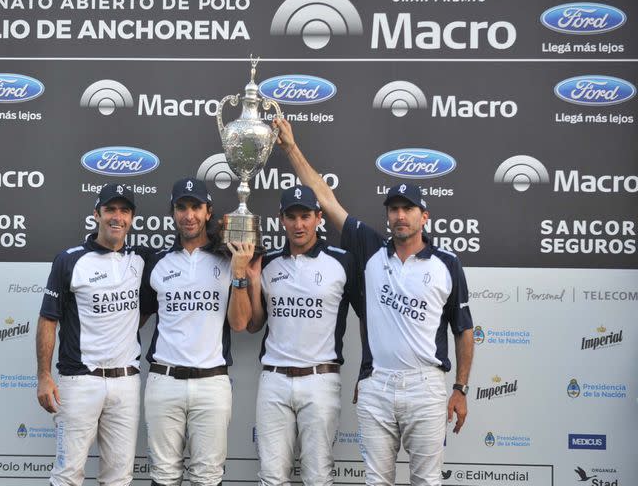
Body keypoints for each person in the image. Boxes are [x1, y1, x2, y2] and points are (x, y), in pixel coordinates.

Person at [272, 118, 474, 486]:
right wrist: (289, 147)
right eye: (393, 209)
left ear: (423, 215)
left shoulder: (447, 264)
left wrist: (460, 388)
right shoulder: (369, 250)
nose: (400, 215)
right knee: (376, 481)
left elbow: (464, 330)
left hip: (426, 384)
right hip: (376, 385)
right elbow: (323, 194)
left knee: (427, 481)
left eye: (408, 208)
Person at [140, 177, 255, 486]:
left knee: (207, 477)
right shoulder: (156, 263)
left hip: (212, 383)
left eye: (195, 207)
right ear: (173, 212)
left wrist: (241, 273)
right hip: (163, 381)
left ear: (208, 212)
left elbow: (241, 324)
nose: (188, 215)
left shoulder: (229, 259)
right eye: (181, 207)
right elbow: (135, 318)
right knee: (163, 476)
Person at [36, 183, 149, 486]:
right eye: (110, 209)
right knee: (67, 474)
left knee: (118, 479)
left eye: (124, 211)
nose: (117, 217)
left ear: (132, 218)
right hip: (79, 381)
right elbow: (48, 319)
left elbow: (147, 308)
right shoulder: (69, 260)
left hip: (125, 382)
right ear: (96, 214)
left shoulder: (141, 260)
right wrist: (44, 376)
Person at [247, 185, 358, 486]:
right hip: (274, 379)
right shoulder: (266, 262)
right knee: (271, 477)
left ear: (319, 217)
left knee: (318, 477)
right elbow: (255, 324)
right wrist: (254, 284)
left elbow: (369, 318)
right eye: (292, 217)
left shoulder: (342, 261)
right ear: (281, 219)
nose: (299, 225)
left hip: (320, 379)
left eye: (305, 216)